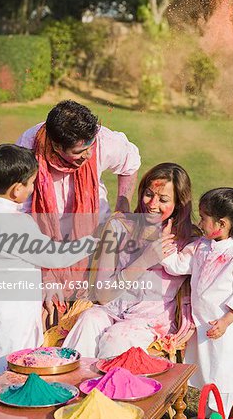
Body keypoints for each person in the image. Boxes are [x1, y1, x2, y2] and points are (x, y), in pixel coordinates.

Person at [62, 164, 233, 360]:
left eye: (163, 199)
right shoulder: (119, 226)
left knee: (116, 338)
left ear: (179, 203)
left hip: (149, 320)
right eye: (149, 194)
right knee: (88, 320)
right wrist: (145, 259)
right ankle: (67, 386)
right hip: (111, 307)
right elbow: (103, 295)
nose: (152, 204)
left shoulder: (191, 240)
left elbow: (222, 261)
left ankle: (106, 390)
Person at [0, 144, 97, 378]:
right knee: (13, 374)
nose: (32, 188)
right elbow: (55, 256)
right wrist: (91, 242)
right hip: (15, 318)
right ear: (17, 190)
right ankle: (3, 412)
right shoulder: (18, 225)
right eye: (31, 183)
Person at [15, 100, 141, 313]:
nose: (89, 155)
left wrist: (122, 208)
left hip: (94, 236)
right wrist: (45, 270)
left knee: (92, 310)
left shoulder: (103, 140)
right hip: (44, 240)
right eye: (79, 151)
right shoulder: (29, 146)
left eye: (90, 147)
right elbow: (21, 211)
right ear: (55, 146)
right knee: (44, 313)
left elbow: (131, 163)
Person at [161, 187, 233, 419]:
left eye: (203, 218)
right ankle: (211, 414)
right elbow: (177, 265)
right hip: (205, 325)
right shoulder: (201, 246)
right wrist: (161, 248)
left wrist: (226, 321)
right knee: (210, 372)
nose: (199, 222)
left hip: (227, 327)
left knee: (225, 376)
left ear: (222, 223)